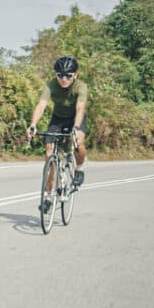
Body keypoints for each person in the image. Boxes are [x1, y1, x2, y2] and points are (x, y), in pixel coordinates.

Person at [27, 55, 88, 211]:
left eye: (68, 75)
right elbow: (41, 105)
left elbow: (80, 109)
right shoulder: (51, 85)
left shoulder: (81, 87)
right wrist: (33, 125)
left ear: (76, 75)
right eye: (60, 75)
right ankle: (47, 196)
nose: (63, 79)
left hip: (75, 119)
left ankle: (79, 169)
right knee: (49, 154)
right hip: (58, 119)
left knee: (78, 143)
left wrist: (76, 127)